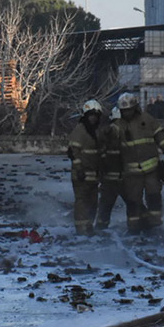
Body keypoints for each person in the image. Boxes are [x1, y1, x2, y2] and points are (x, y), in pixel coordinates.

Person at [114, 92, 164, 232]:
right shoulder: (117, 126)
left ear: (135, 108)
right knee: (133, 201)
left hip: (151, 169)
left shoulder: (147, 119)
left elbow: (159, 133)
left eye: (129, 110)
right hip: (131, 172)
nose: (127, 113)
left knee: (154, 196)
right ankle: (134, 226)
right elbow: (110, 145)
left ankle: (155, 222)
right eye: (124, 111)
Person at [67, 100, 105, 236]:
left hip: (93, 175)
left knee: (93, 203)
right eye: (91, 115)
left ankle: (89, 227)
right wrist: (79, 169)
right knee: (82, 203)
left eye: (96, 115)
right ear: (85, 116)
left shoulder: (95, 132)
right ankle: (81, 230)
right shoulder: (80, 130)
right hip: (81, 175)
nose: (93, 118)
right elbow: (72, 151)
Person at [95, 106, 124, 230]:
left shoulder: (106, 132)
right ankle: (141, 226)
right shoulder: (130, 131)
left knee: (105, 206)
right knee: (134, 204)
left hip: (109, 178)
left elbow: (99, 154)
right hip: (126, 178)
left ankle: (101, 227)